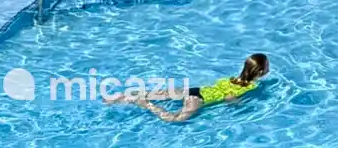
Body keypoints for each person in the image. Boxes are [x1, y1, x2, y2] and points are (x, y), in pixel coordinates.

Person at [105, 53, 268, 122]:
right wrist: (238, 104)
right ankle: (146, 105)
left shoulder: (231, 79)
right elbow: (228, 97)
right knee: (175, 120)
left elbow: (219, 87)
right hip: (199, 99)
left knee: (154, 93)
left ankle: (115, 99)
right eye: (267, 66)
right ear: (260, 71)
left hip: (195, 90)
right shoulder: (251, 87)